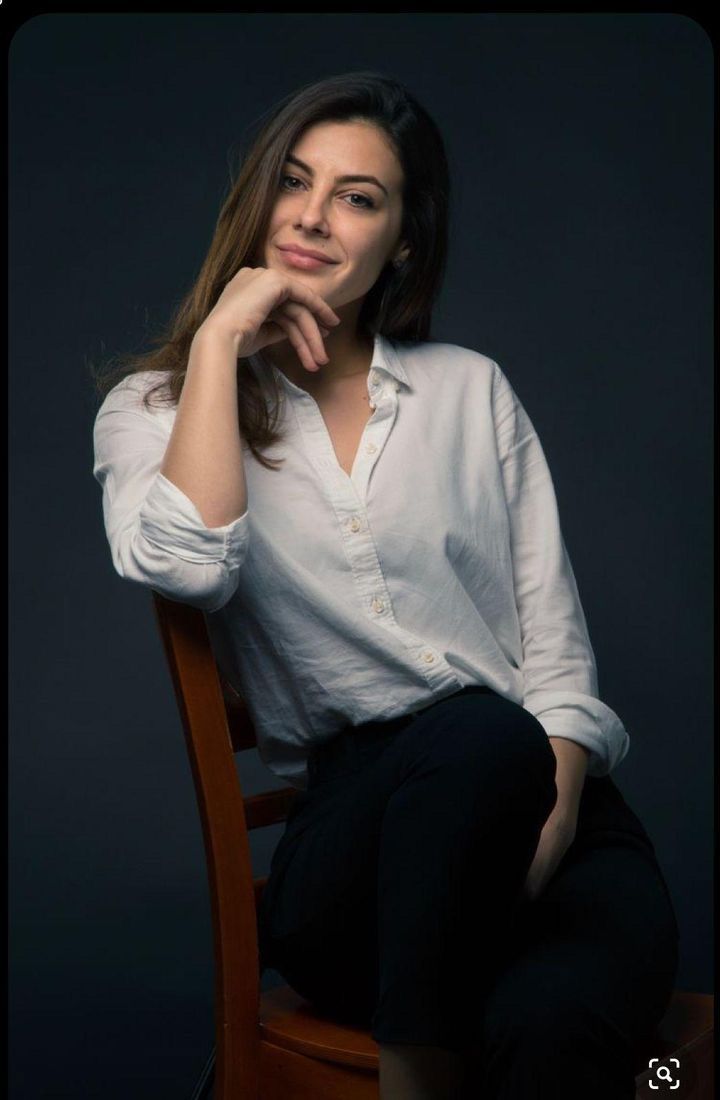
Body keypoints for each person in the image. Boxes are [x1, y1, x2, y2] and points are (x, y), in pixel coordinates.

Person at [91, 71, 680, 1099]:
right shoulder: (158, 407)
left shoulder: (470, 388)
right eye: (294, 181)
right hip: (357, 854)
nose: (313, 217)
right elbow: (187, 561)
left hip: (536, 799)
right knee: (475, 730)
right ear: (259, 198)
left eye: (359, 196)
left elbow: (558, 647)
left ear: (403, 238)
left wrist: (547, 821)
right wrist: (225, 342)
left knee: (559, 1028)